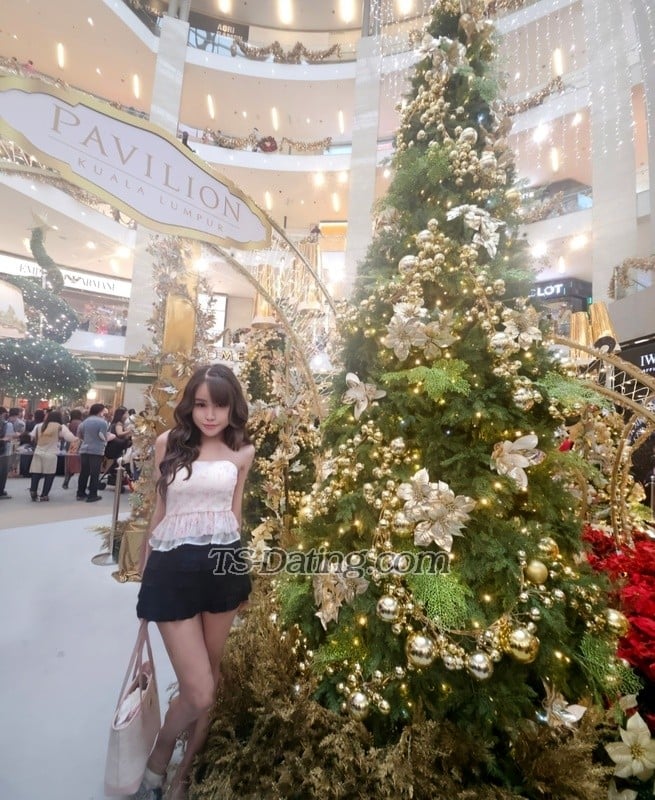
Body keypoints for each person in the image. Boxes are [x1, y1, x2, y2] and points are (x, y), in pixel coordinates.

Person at [132, 364, 254, 800]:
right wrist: (146, 564)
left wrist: (239, 572)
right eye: (201, 404)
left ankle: (184, 774)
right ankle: (159, 758)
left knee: (210, 679)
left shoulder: (242, 452)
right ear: (190, 405)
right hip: (172, 569)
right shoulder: (169, 443)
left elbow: (235, 514)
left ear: (233, 407)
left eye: (219, 405)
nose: (210, 415)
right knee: (198, 690)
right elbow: (160, 509)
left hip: (222, 568)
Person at [29, 410, 78, 501]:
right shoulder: (60, 426)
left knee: (36, 472)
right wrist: (77, 439)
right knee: (49, 474)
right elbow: (70, 438)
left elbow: (32, 436)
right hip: (51, 454)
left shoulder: (39, 426)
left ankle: (33, 491)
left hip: (38, 452)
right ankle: (44, 495)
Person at [76, 403, 109, 503]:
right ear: (100, 411)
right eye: (103, 411)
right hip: (96, 450)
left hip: (84, 449)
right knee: (95, 473)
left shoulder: (84, 422)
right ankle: (92, 494)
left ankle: (80, 493)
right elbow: (102, 436)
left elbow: (79, 435)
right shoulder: (102, 422)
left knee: (84, 472)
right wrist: (106, 439)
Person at [62, 409, 83, 489]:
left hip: (70, 444)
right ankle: (81, 484)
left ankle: (66, 480)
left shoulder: (69, 424)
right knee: (81, 464)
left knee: (69, 464)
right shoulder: (81, 423)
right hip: (79, 444)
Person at [0, 407, 15, 500]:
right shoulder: (7, 425)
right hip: (3, 451)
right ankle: (1, 491)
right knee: (2, 472)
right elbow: (9, 437)